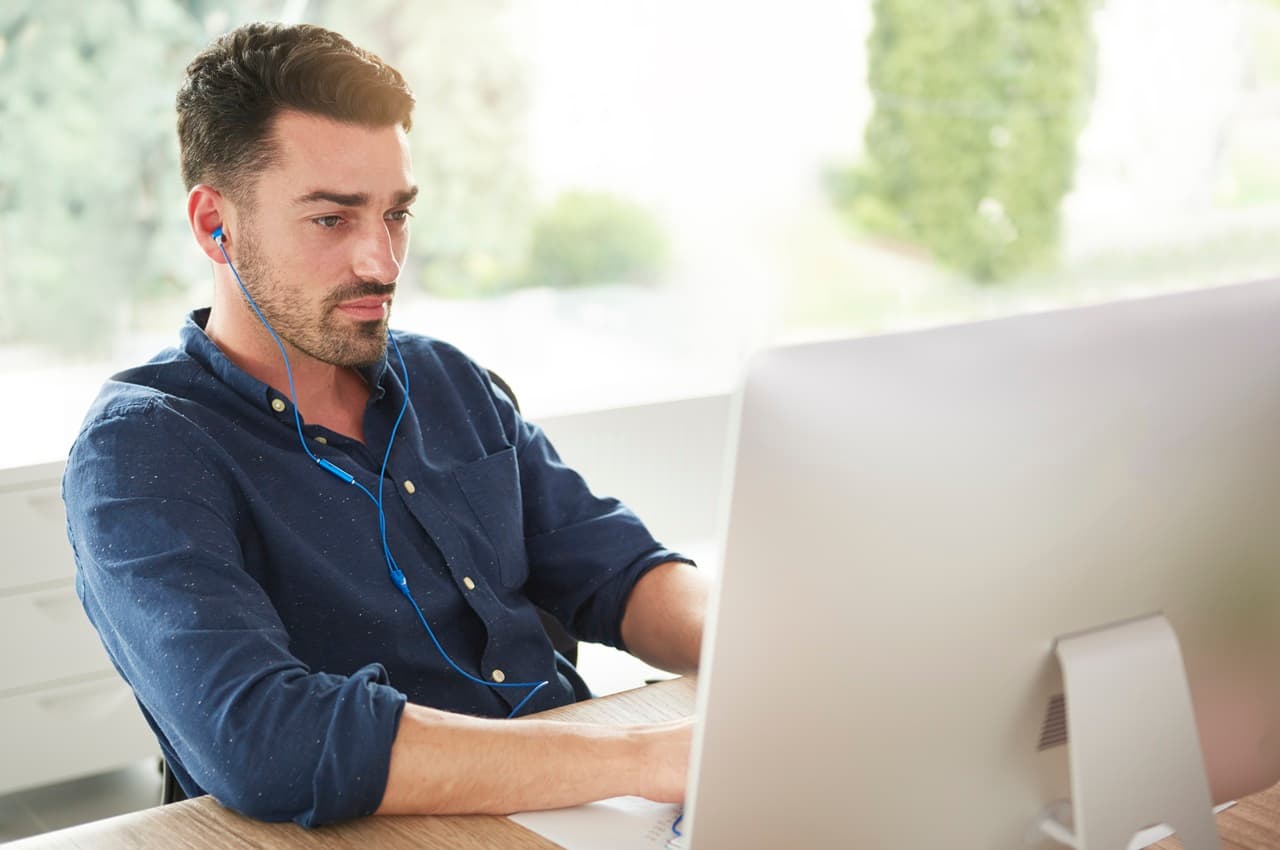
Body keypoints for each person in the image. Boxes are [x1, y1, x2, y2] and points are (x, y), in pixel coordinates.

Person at [62, 21, 708, 827]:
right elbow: (266, 743)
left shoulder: (446, 380)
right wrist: (646, 759)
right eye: (332, 220)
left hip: (578, 809)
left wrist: (770, 660)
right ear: (212, 225)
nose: (382, 262)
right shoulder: (142, 449)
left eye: (396, 215)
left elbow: (615, 570)